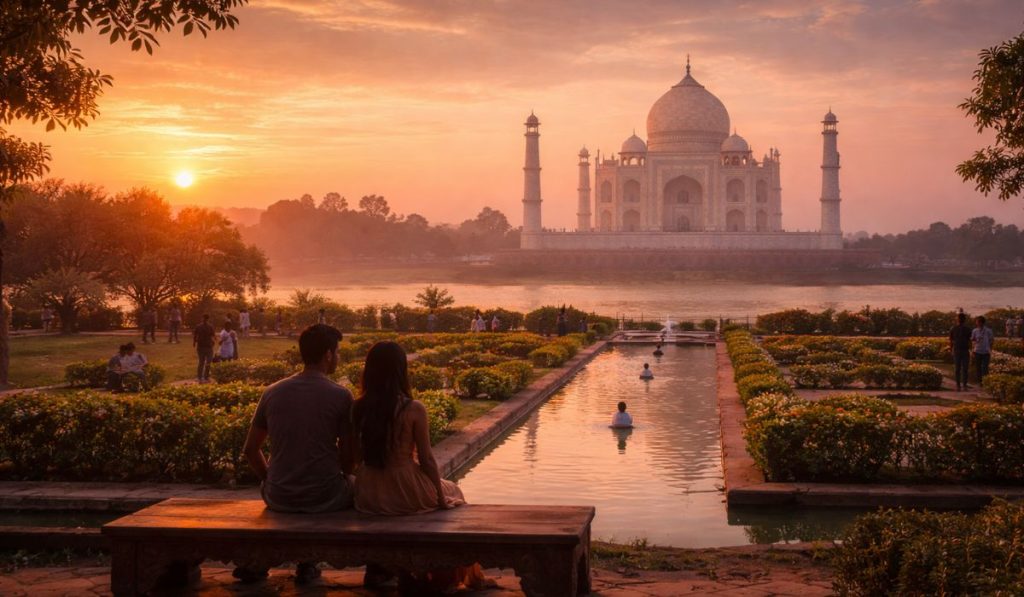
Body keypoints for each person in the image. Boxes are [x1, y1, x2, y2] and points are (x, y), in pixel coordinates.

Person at [352, 341, 488, 592]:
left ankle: (383, 568)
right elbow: (426, 459)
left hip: (369, 491)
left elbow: (353, 456)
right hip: (403, 487)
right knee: (454, 492)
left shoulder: (359, 407)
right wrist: (439, 496)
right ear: (401, 370)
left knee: (446, 493)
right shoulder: (412, 408)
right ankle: (444, 573)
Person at [241, 324, 356, 585]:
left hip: (279, 495)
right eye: (337, 352)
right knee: (358, 488)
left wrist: (269, 479)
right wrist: (344, 476)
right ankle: (311, 562)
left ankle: (266, 560)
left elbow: (250, 449)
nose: (338, 357)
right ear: (328, 354)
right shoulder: (340, 395)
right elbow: (349, 458)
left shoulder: (272, 392)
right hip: (325, 496)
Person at [949, 312, 972, 391]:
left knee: (965, 368)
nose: (960, 320)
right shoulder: (953, 328)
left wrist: (971, 349)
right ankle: (958, 385)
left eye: (961, 318)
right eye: (959, 318)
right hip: (957, 350)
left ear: (964, 320)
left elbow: (970, 340)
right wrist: (951, 349)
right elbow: (951, 340)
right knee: (957, 369)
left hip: (965, 350)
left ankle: (964, 385)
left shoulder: (968, 329)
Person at [971, 315, 994, 387]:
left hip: (986, 351)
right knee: (978, 367)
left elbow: (991, 340)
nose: (976, 323)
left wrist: (990, 349)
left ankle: (986, 381)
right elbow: (972, 339)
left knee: (985, 368)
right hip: (977, 351)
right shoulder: (975, 330)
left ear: (981, 322)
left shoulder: (988, 330)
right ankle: (980, 382)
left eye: (977, 321)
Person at [193, 314, 216, 382]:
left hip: (207, 346)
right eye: (204, 318)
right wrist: (194, 342)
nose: (204, 320)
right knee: (202, 362)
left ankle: (205, 377)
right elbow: (195, 335)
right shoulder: (199, 326)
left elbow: (213, 335)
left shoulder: (209, 327)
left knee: (207, 362)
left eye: (206, 319)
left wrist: (214, 340)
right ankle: (200, 377)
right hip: (202, 346)